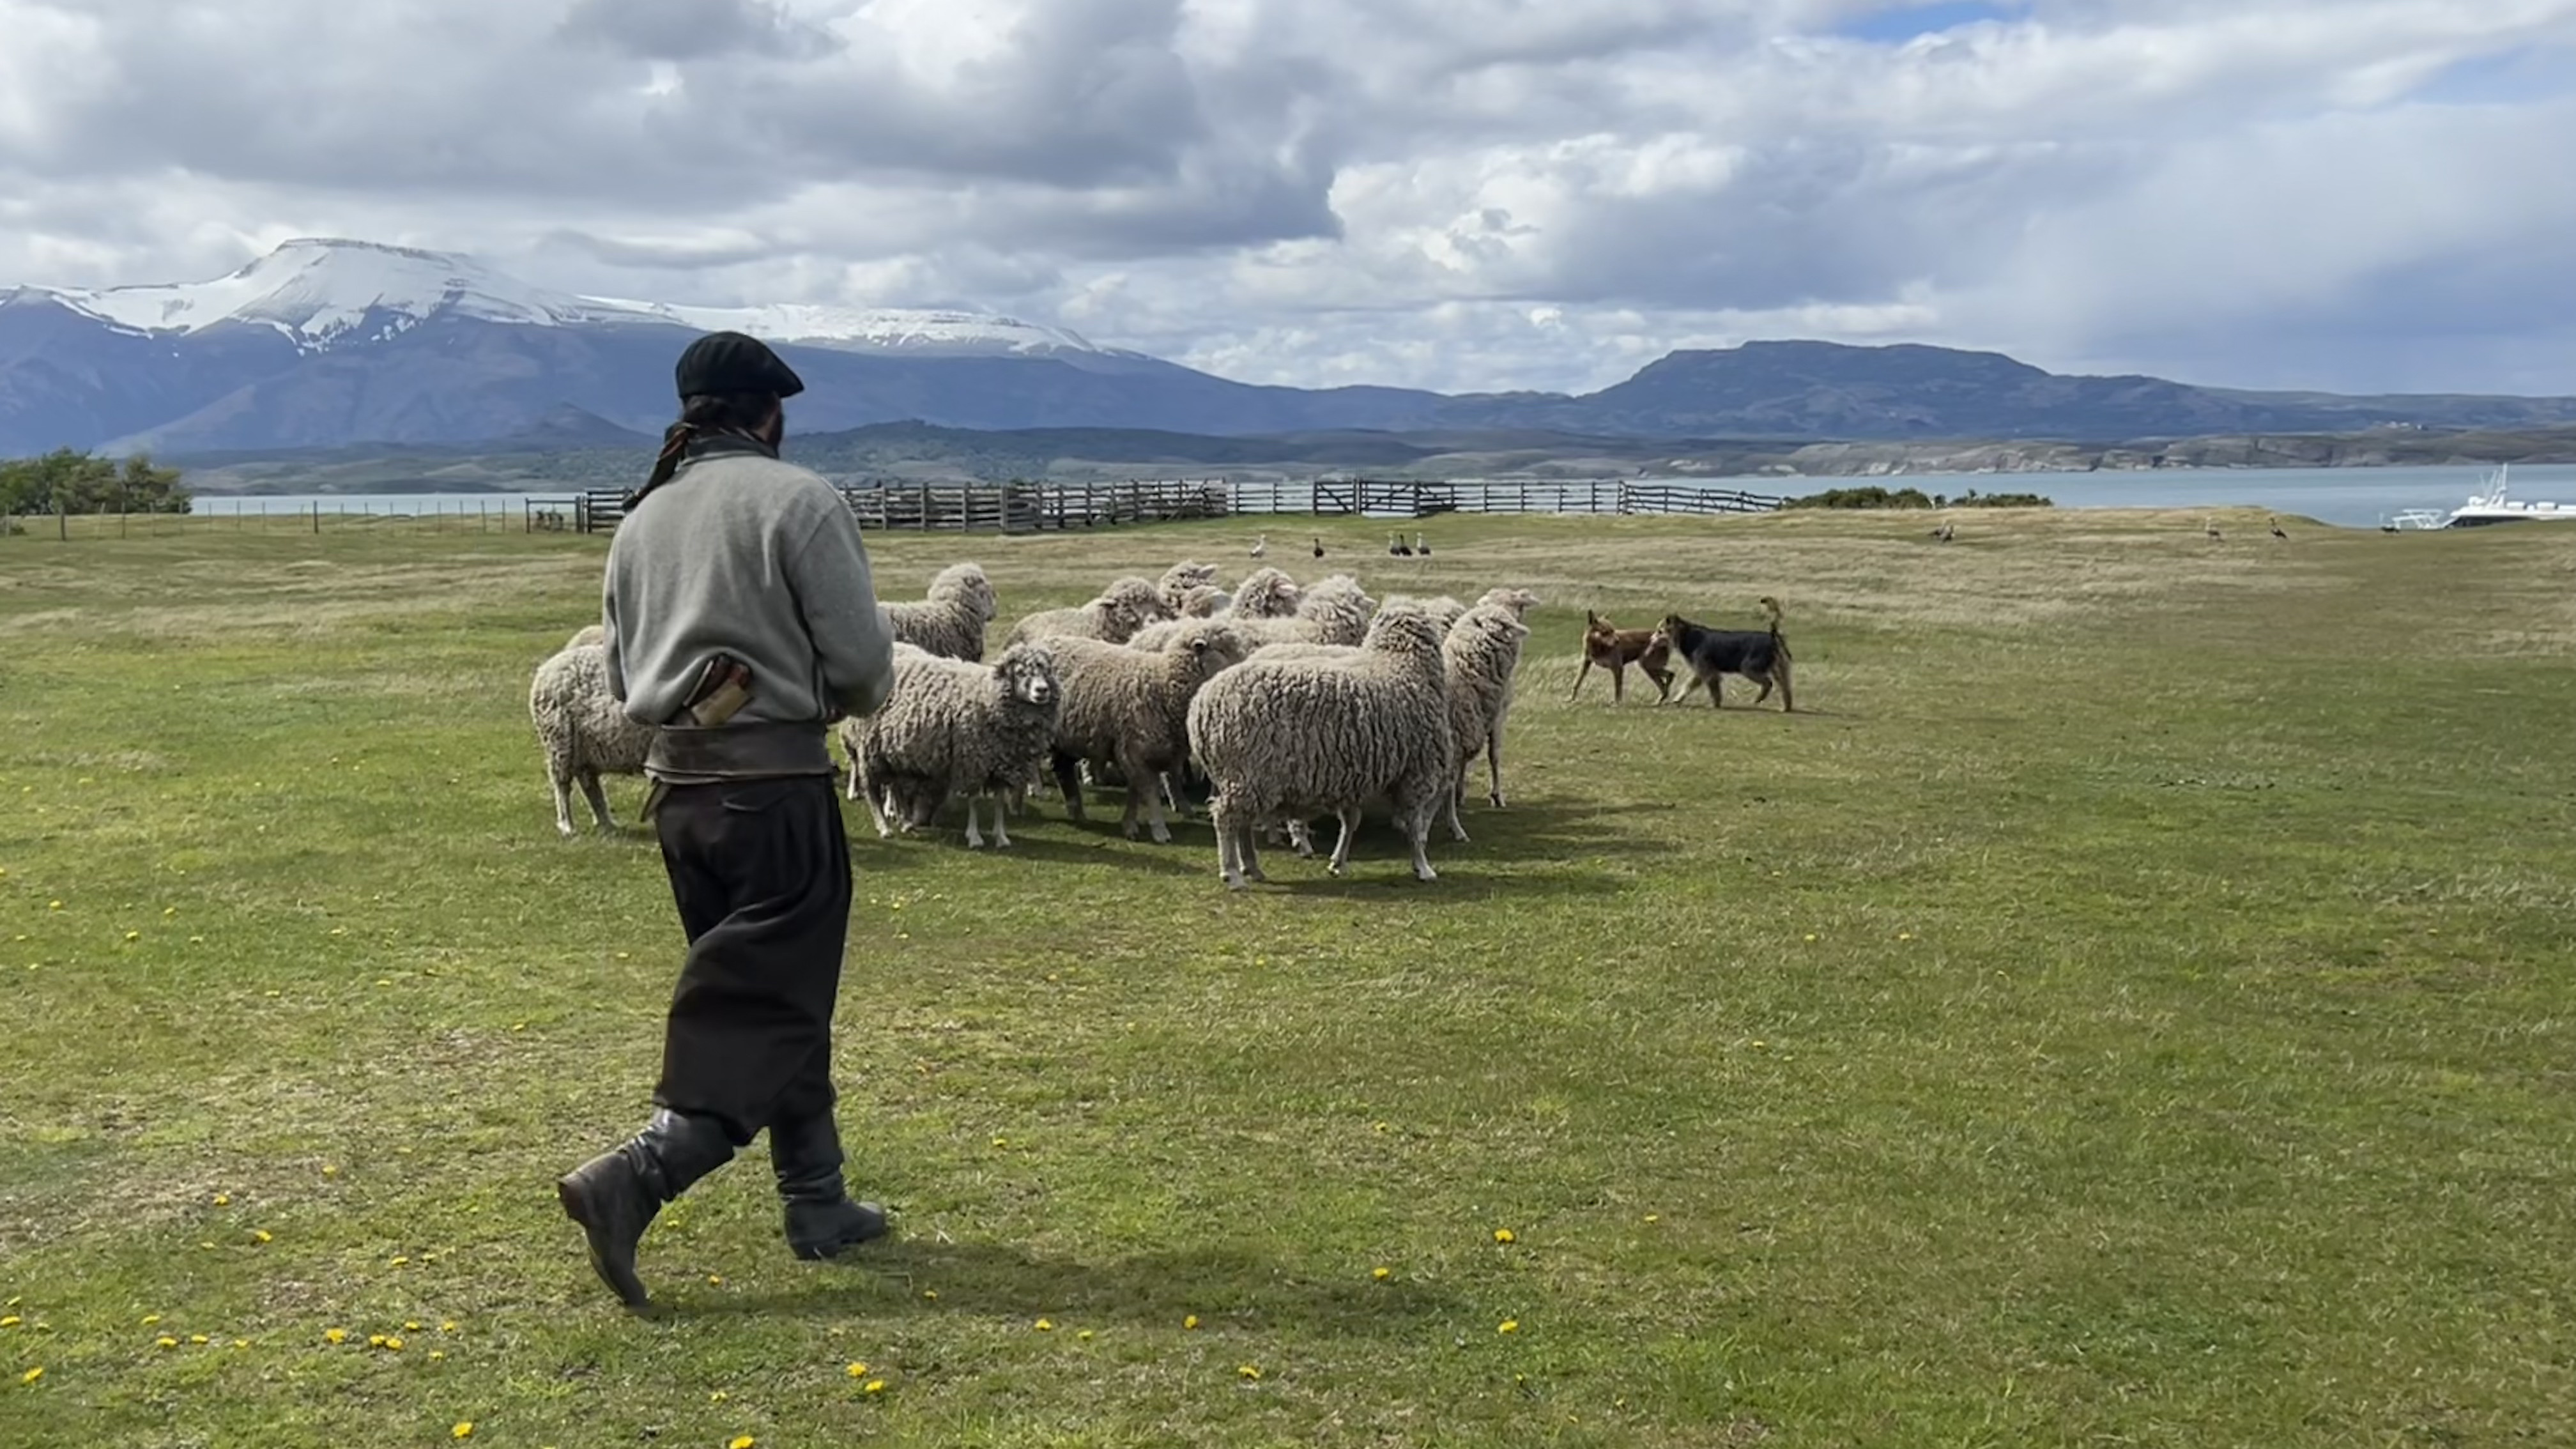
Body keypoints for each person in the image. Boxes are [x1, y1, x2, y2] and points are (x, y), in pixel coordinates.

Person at [556, 331, 900, 1309]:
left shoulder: (643, 517)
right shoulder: (799, 503)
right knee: (769, 1003)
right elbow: (865, 672)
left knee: (774, 994)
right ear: (769, 412)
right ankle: (638, 1176)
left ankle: (817, 1199)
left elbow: (622, 678)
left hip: (680, 797)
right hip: (776, 791)